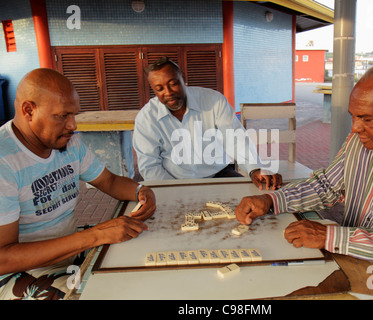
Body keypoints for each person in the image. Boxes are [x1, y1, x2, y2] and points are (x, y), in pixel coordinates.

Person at [235, 62, 373, 300]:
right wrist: (271, 200)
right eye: (354, 117)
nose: (355, 128)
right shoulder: (361, 140)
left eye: (367, 119)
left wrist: (329, 237)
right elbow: (325, 185)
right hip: (354, 260)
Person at [0, 68, 156, 300]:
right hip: (20, 273)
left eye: (74, 115)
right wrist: (95, 235)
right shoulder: (4, 161)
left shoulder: (68, 144)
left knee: (143, 267)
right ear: (28, 110)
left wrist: (141, 191)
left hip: (71, 250)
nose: (73, 125)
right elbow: (4, 258)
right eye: (62, 116)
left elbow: (109, 181)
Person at [133, 57, 282, 190]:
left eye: (173, 84)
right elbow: (150, 165)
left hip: (218, 174)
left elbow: (235, 139)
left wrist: (254, 169)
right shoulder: (146, 118)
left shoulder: (213, 100)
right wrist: (173, 189)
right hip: (173, 180)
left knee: (250, 199)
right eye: (159, 89)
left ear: (183, 78)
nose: (168, 92)